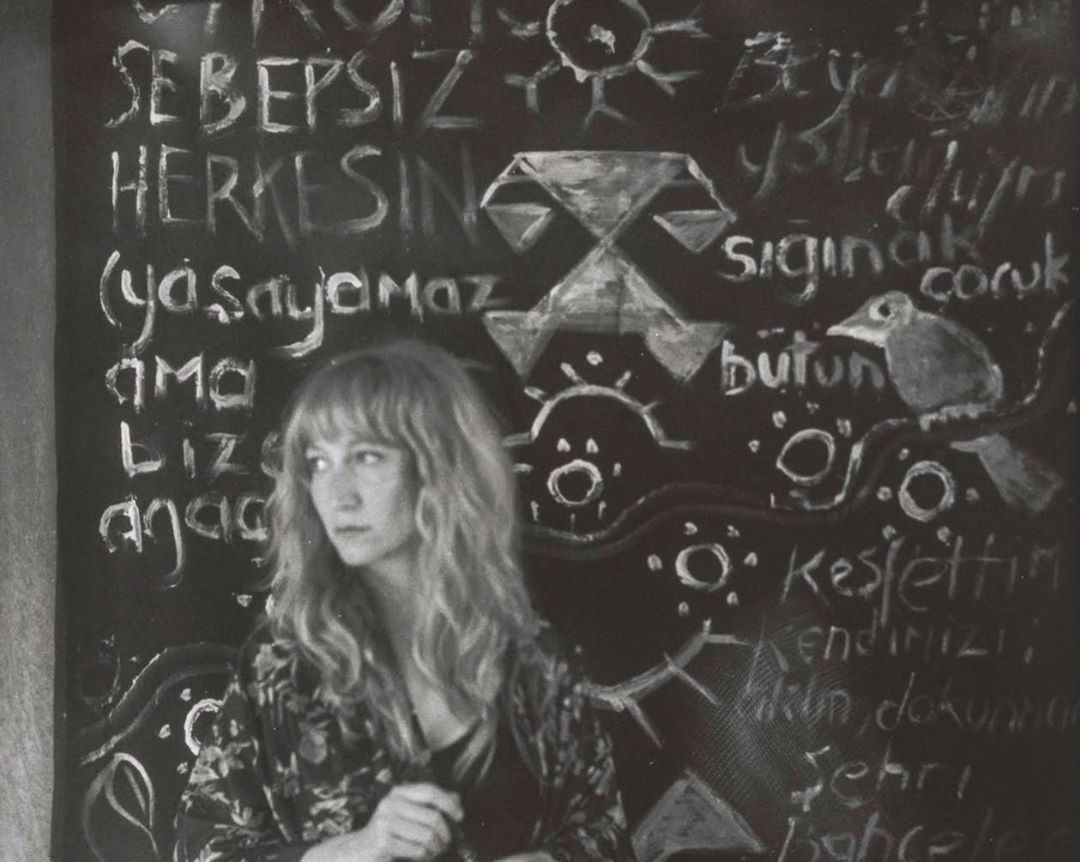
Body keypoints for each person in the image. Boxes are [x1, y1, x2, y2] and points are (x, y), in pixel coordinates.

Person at [173, 338, 635, 862]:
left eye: (366, 457)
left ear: (438, 467)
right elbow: (201, 849)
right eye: (318, 463)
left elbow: (605, 835)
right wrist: (352, 850)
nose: (338, 494)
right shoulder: (282, 667)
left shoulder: (536, 661)